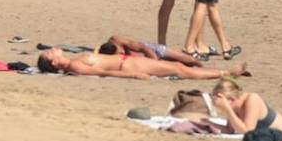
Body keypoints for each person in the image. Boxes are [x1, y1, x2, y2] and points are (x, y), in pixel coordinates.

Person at [36, 47, 238, 79]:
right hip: (129, 67)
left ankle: (224, 72)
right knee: (178, 69)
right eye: (49, 52)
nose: (52, 48)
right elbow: (103, 73)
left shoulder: (73, 60)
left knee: (179, 67)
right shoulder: (73, 66)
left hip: (129, 61)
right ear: (53, 62)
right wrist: (134, 75)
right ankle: (224, 73)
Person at [98, 35, 206, 67]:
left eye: (120, 53)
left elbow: (143, 48)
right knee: (178, 65)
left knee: (189, 60)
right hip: (140, 59)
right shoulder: (106, 54)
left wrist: (155, 62)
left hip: (152, 50)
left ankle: (202, 67)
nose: (121, 55)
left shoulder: (118, 41)